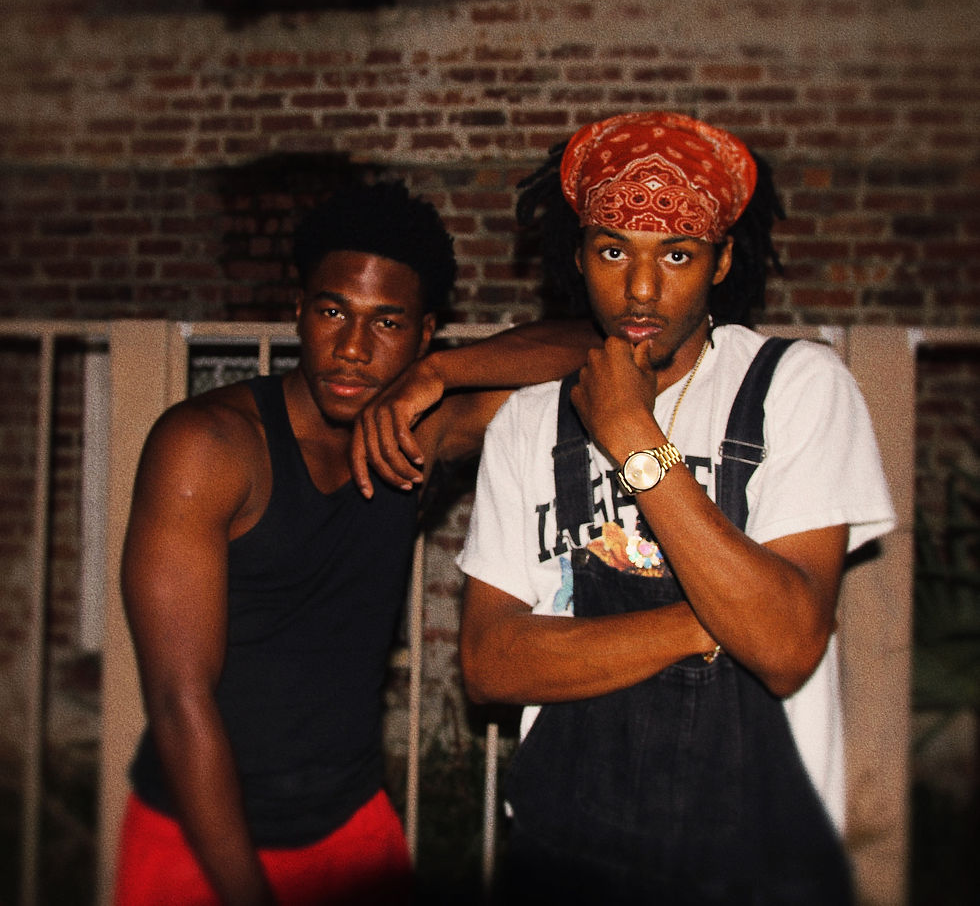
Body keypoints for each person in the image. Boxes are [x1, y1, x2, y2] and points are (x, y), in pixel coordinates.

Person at [449, 112, 897, 904]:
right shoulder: (528, 422)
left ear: (722, 260)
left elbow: (788, 645)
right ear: (578, 256)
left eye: (678, 254)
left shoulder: (797, 389)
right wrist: (710, 620)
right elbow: (491, 663)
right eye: (614, 251)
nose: (643, 288)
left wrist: (632, 435)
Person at [112, 179, 597, 906]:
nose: (352, 348)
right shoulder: (207, 446)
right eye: (334, 312)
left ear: (424, 334)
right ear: (300, 313)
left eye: (388, 323)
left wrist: (440, 377)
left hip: (350, 825)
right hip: (200, 838)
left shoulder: (422, 432)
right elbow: (181, 702)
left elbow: (597, 349)